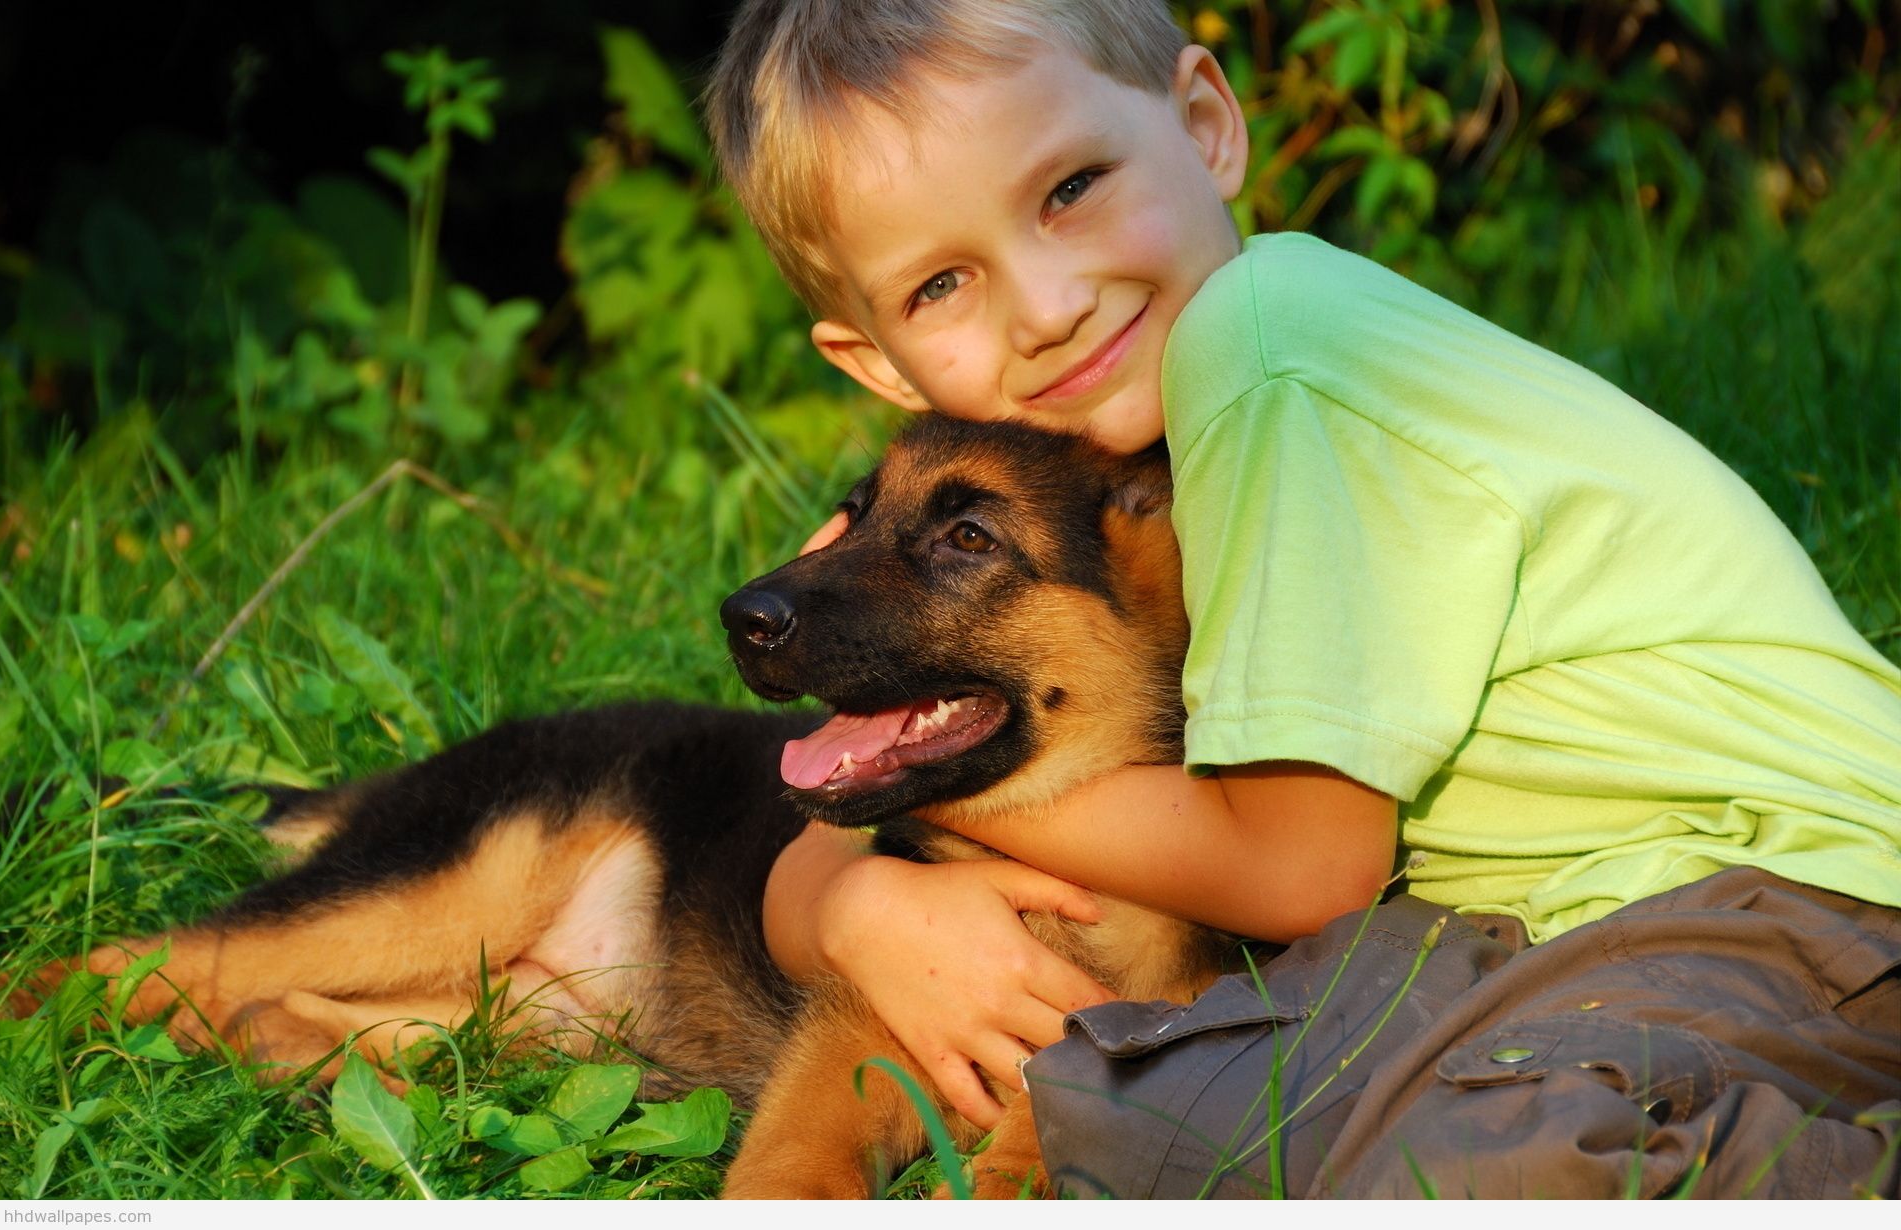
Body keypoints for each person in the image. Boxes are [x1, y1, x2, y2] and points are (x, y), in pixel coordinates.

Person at [702, 0, 1901, 1197]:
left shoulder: (1265, 353)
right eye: (941, 284)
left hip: (1784, 894)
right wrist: (859, 896)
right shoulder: (1123, 477)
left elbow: (1300, 871)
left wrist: (921, 770)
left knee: (1481, 1171)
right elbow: (822, 859)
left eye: (1070, 189)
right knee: (1142, 1112)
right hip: (1535, 929)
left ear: (1206, 124)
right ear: (877, 362)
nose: (1048, 304)